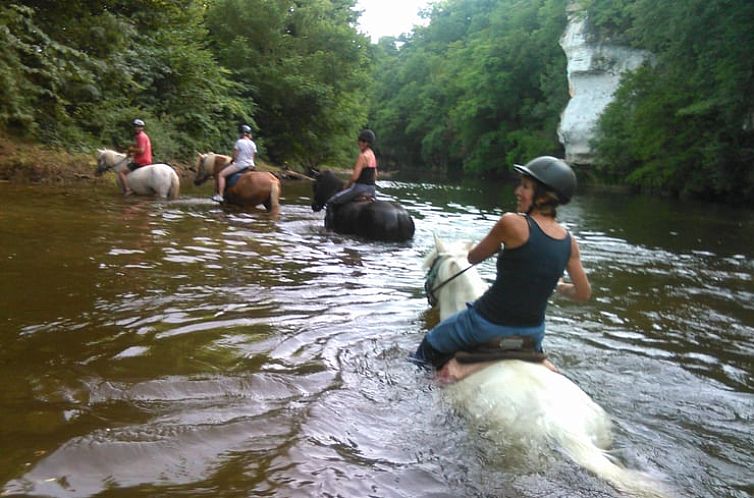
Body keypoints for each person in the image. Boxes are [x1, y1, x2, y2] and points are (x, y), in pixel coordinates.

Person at [413, 156, 591, 370]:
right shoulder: (570, 242)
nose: (518, 192)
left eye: (525, 187)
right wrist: (560, 286)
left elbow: (473, 258)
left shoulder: (511, 223)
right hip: (532, 334)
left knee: (429, 343)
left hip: (485, 324)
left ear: (544, 196)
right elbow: (583, 294)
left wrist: (493, 245)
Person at [325, 129, 378, 213]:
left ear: (368, 143)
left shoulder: (362, 156)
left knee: (331, 202)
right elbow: (375, 175)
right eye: (360, 140)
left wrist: (347, 186)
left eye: (363, 141)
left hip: (359, 189)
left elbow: (355, 177)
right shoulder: (372, 155)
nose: (360, 143)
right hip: (372, 190)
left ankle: (330, 226)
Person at [212, 125, 257, 203]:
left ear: (241, 133)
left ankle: (220, 195)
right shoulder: (253, 144)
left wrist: (232, 161)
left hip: (241, 165)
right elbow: (253, 157)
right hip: (251, 165)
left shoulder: (239, 142)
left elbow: (235, 156)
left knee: (221, 175)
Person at [119, 118, 152, 196]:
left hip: (141, 161)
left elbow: (141, 150)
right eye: (135, 126)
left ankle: (128, 190)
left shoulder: (140, 136)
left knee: (121, 173)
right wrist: (132, 153)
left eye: (138, 126)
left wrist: (131, 149)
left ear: (142, 128)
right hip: (146, 159)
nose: (136, 128)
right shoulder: (143, 136)